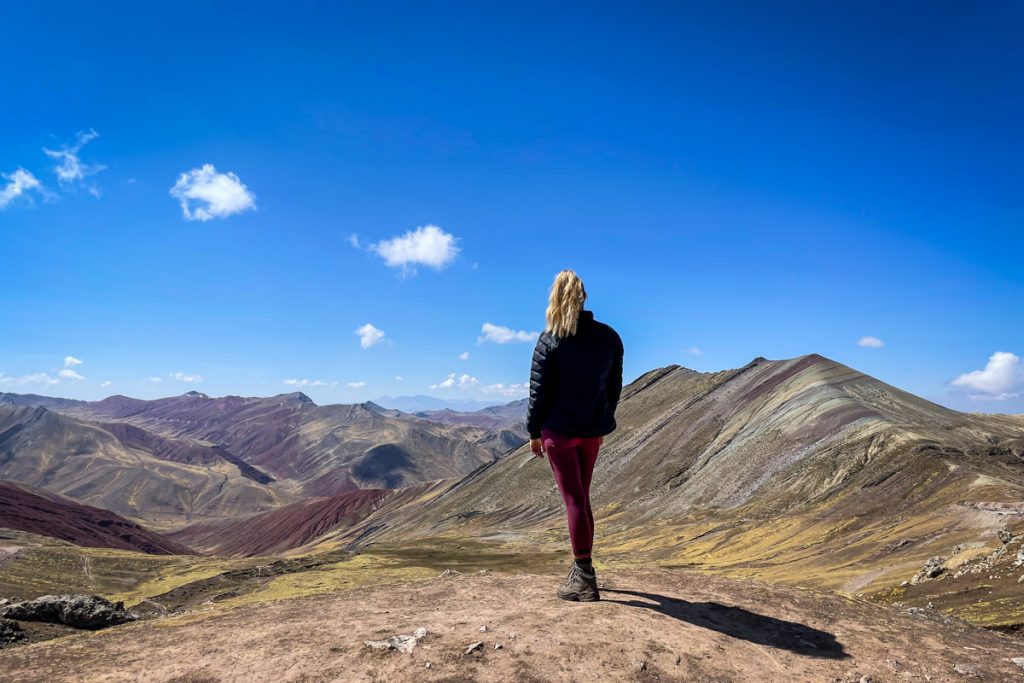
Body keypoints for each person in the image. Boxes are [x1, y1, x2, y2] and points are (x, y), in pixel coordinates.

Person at [526, 269, 624, 602]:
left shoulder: (549, 339)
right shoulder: (609, 337)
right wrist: (603, 421)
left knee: (574, 500)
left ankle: (583, 576)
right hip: (590, 432)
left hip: (560, 432)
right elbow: (613, 387)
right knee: (582, 498)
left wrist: (533, 432)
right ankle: (583, 569)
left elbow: (538, 392)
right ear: (583, 297)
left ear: (555, 298)